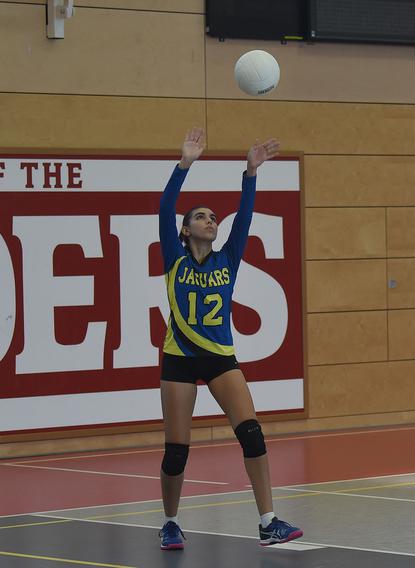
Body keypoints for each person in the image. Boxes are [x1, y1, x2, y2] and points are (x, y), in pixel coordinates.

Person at [156, 127, 303, 550]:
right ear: (185, 231)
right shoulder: (174, 258)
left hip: (221, 357)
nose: (210, 220)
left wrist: (250, 173)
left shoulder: (228, 258)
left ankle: (267, 521)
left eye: (213, 218)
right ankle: (169, 522)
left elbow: (247, 214)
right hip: (179, 358)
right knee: (177, 452)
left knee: (252, 434)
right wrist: (184, 164)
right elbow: (165, 209)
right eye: (201, 217)